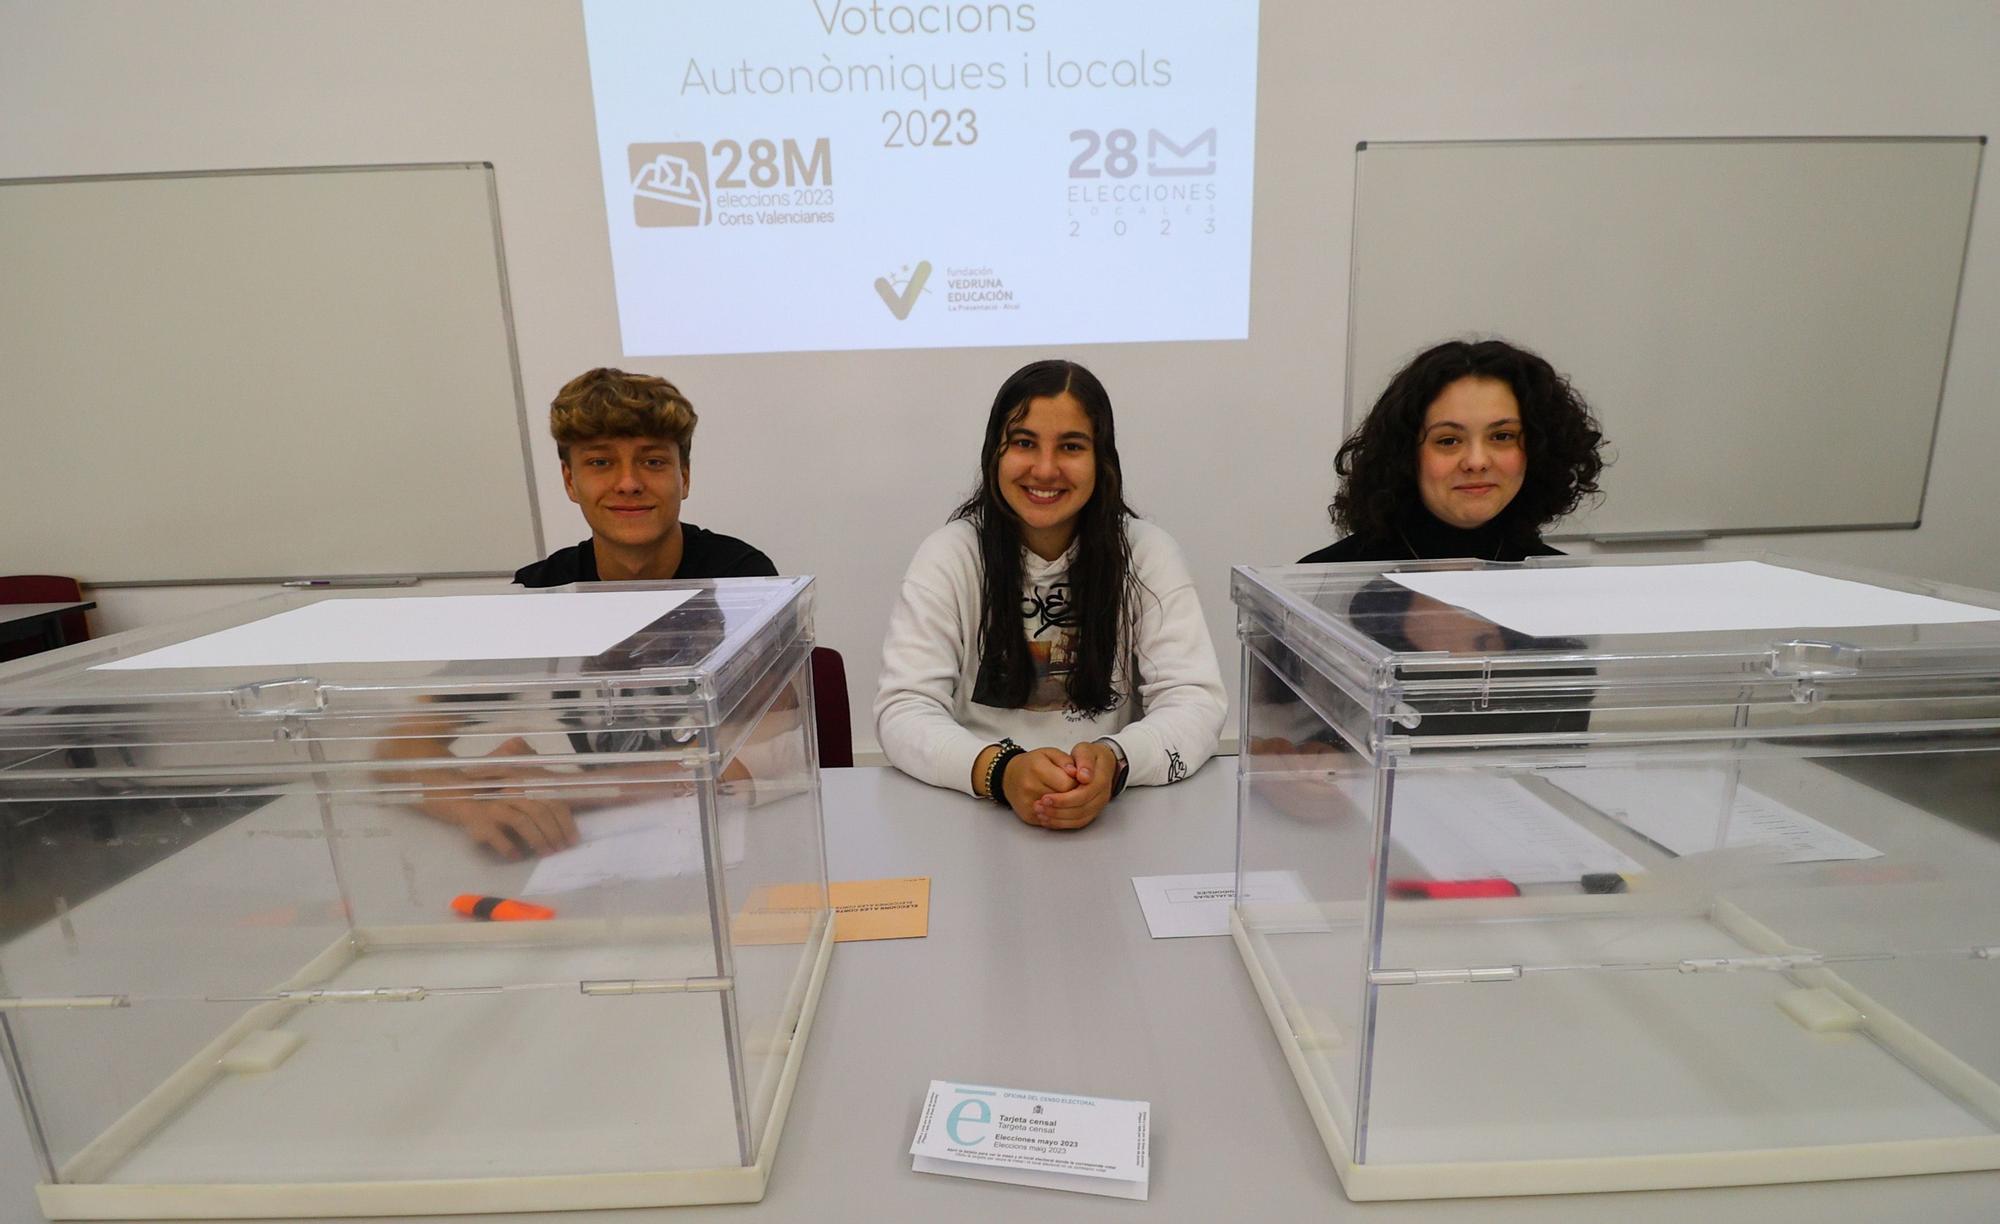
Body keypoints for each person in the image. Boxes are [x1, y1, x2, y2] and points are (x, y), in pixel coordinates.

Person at [875, 359, 1227, 831]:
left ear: (1101, 460)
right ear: (994, 454)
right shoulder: (949, 555)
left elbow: (1195, 702)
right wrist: (1001, 771)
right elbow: (903, 711)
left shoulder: (1148, 554)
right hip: (970, 813)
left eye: (1071, 446)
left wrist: (1116, 760)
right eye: (1024, 443)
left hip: (1117, 816)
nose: (1045, 469)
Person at [1301, 338, 1606, 564]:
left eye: (1502, 436)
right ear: (1405, 456)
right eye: (1448, 440)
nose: (1476, 461)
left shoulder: (1563, 586)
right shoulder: (1324, 582)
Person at [515, 367, 776, 585]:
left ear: (684, 477)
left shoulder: (743, 578)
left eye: (653, 462)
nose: (629, 484)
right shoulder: (538, 590)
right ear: (570, 481)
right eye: (601, 462)